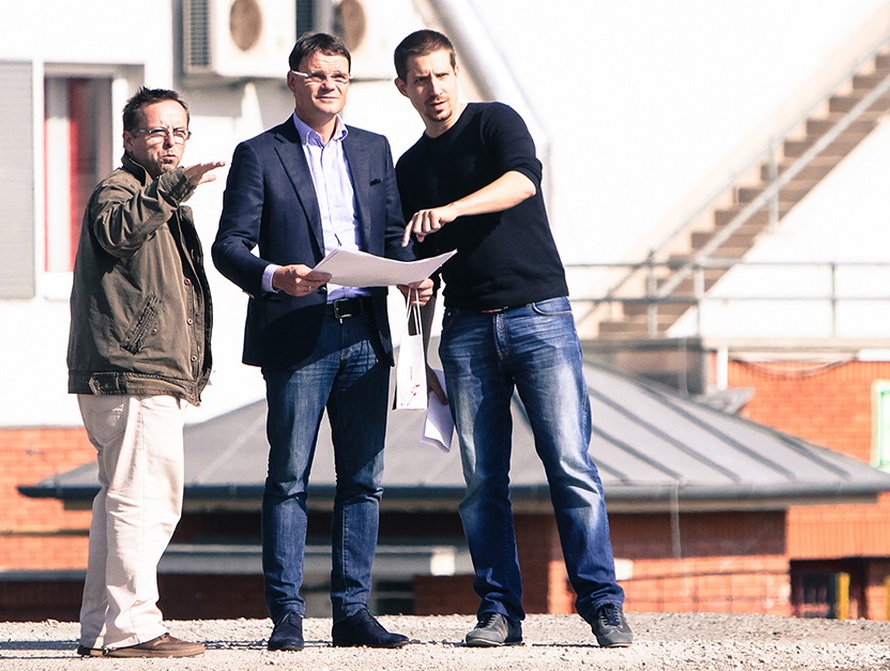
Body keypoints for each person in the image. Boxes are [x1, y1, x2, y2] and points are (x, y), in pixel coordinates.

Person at [392, 30, 633, 649]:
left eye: (441, 75)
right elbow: (423, 267)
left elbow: (523, 182)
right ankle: (499, 611)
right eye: (420, 79)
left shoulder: (495, 122)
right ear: (403, 88)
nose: (433, 88)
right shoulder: (409, 168)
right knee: (481, 482)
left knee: (570, 464)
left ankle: (602, 603)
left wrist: (453, 209)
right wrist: (417, 321)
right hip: (466, 329)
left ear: (456, 75)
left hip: (539, 315)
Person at [213, 32, 430, 652]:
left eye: (338, 76)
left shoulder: (373, 148)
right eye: (316, 75)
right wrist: (273, 276)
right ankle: (287, 614)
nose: (328, 85)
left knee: (364, 478)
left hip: (365, 332)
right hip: (298, 333)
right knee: (288, 477)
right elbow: (229, 246)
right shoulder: (260, 153)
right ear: (293, 81)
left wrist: (411, 275)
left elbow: (391, 235)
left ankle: (352, 612)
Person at [67, 87, 224, 658]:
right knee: (144, 502)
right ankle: (134, 627)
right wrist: (173, 188)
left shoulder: (154, 197)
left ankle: (103, 628)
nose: (170, 143)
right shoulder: (122, 189)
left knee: (121, 501)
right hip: (132, 373)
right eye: (157, 132)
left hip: (133, 373)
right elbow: (115, 230)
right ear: (129, 138)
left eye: (179, 132)